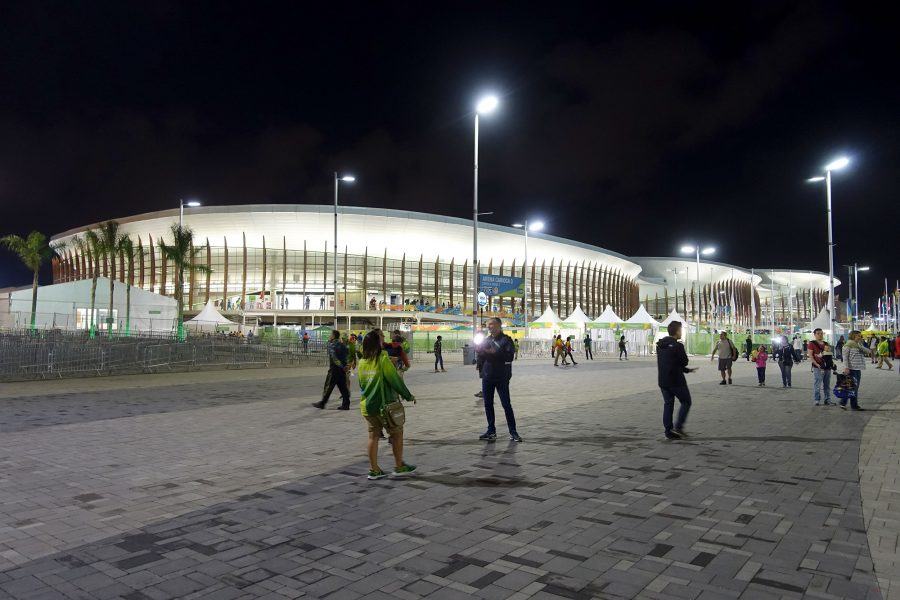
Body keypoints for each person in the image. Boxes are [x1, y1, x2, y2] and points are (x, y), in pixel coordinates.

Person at [356, 329, 416, 479]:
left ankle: (374, 470)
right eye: (381, 339)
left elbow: (362, 385)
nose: (383, 341)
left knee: (373, 436)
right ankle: (399, 466)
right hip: (384, 407)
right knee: (397, 434)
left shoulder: (362, 362)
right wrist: (408, 395)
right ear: (378, 343)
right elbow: (394, 380)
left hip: (367, 406)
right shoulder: (382, 359)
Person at [476, 317, 521, 442]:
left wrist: (493, 352)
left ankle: (513, 432)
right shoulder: (486, 340)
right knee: (488, 404)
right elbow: (482, 356)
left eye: (491, 324)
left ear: (498, 325)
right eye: (488, 324)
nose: (489, 326)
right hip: (487, 376)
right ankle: (491, 431)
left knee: (506, 405)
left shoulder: (506, 340)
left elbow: (509, 357)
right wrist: (479, 355)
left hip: (501, 377)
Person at [656, 321, 697, 440]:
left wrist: (687, 370)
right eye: (681, 330)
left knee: (668, 404)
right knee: (686, 402)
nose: (681, 332)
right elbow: (684, 361)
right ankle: (678, 427)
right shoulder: (678, 346)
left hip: (663, 381)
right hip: (676, 381)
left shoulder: (660, 345)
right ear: (677, 331)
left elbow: (670, 362)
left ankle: (668, 431)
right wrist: (685, 367)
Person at [313, 330, 351, 410]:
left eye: (330, 335)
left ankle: (323, 403)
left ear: (333, 336)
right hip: (342, 370)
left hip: (334, 369)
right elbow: (347, 355)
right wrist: (346, 366)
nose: (329, 336)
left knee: (328, 386)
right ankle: (346, 404)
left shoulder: (332, 345)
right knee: (343, 387)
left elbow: (334, 358)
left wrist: (341, 366)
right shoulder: (343, 345)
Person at [840, 330, 871, 411]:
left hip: (857, 369)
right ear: (853, 336)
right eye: (858, 336)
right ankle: (850, 404)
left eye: (860, 336)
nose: (860, 337)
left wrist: (860, 345)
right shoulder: (848, 345)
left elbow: (868, 351)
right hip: (851, 369)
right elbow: (845, 358)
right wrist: (846, 368)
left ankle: (846, 403)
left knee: (853, 388)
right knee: (852, 387)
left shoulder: (858, 345)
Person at [808, 328, 833, 406]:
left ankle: (827, 399)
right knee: (817, 384)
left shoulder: (826, 343)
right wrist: (816, 364)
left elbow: (829, 356)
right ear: (814, 335)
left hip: (827, 367)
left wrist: (832, 364)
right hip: (818, 367)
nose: (820, 335)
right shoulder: (812, 343)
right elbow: (811, 356)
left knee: (827, 384)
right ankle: (817, 399)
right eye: (818, 333)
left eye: (821, 333)